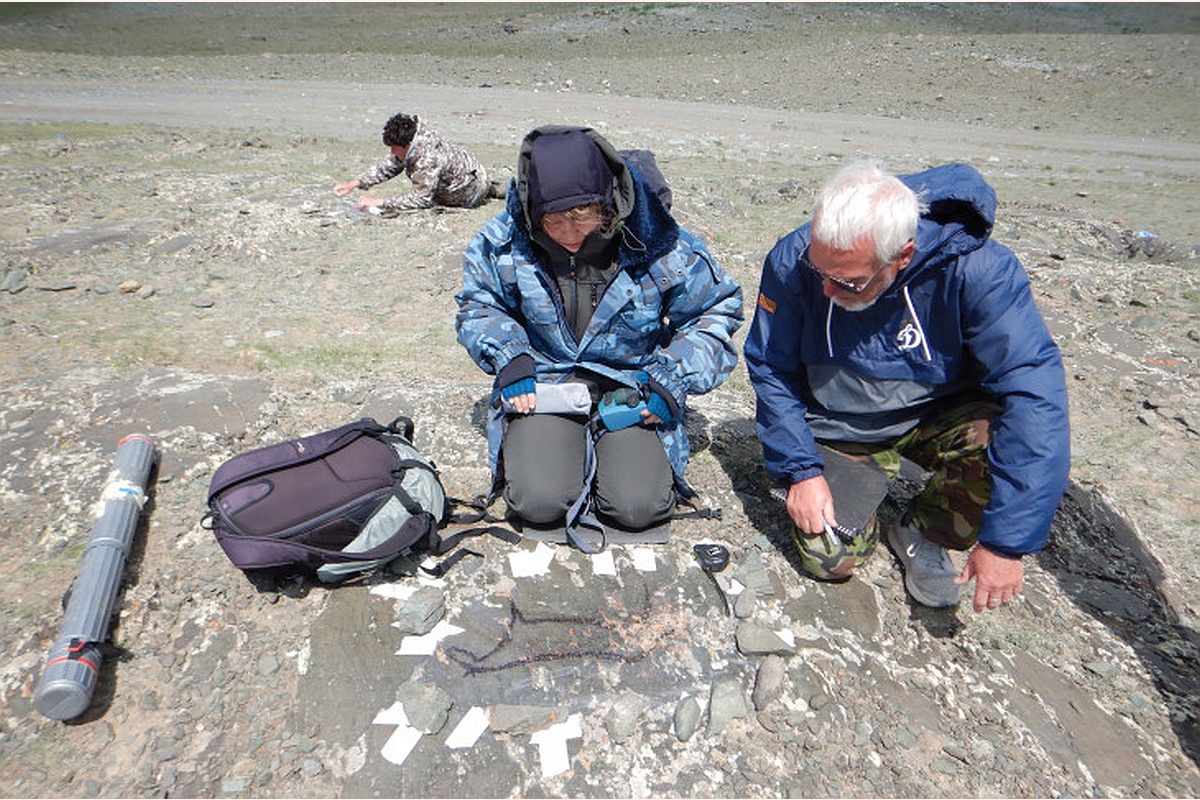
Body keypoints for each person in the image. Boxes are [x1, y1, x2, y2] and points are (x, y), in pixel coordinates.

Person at [743, 161, 1070, 613]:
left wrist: (1007, 545)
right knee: (831, 560)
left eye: (847, 281)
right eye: (820, 273)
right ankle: (866, 487)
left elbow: (1036, 396)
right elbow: (770, 367)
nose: (826, 292)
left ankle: (922, 527)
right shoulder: (795, 259)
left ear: (903, 254)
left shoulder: (978, 273)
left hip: (934, 417)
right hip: (838, 428)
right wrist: (801, 470)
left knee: (1000, 447)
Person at [455, 125, 743, 544]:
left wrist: (672, 378)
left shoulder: (655, 241)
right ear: (535, 211)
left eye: (582, 220)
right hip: (545, 381)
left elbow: (714, 311)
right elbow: (478, 303)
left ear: (607, 205)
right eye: (554, 222)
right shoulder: (504, 242)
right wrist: (511, 355)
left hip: (632, 385)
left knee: (637, 507)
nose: (570, 236)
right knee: (538, 503)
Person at [333, 112, 504, 213]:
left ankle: (492, 190)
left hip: (469, 190)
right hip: (470, 171)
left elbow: (422, 199)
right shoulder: (416, 136)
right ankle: (493, 188)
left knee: (435, 196)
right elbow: (391, 164)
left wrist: (378, 202)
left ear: (406, 145)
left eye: (394, 148)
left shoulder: (427, 158)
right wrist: (355, 183)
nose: (392, 152)